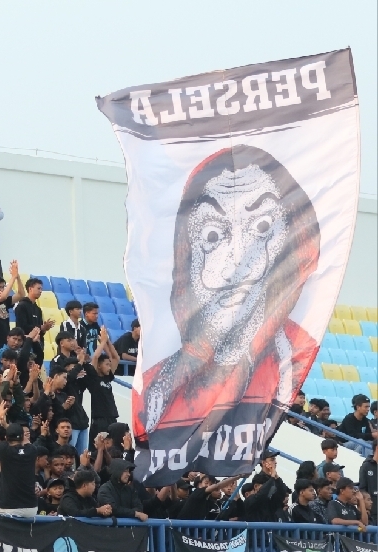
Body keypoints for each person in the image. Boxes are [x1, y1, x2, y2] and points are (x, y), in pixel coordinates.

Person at [133, 146, 320, 478]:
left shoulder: (294, 352)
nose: (236, 262)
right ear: (185, 252)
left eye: (262, 227)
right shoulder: (156, 386)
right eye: (213, 234)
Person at [0, 402, 39, 518]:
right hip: (31, 508)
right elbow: (24, 441)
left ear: (6, 438)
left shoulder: (4, 450)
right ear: (23, 436)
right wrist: (8, 426)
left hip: (9, 507)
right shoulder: (32, 450)